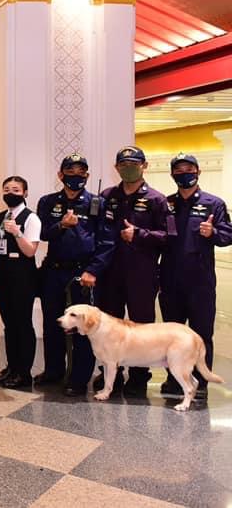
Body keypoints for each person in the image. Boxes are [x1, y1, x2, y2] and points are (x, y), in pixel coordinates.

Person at [36, 153, 113, 396]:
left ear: (87, 176)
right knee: (53, 324)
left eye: (81, 173)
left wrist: (93, 270)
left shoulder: (97, 203)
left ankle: (79, 379)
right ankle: (54, 371)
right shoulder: (48, 202)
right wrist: (62, 225)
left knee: (82, 328)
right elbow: (42, 233)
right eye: (70, 172)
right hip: (54, 271)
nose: (76, 177)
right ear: (61, 175)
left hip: (83, 273)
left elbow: (107, 242)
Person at [159, 153, 232, 401]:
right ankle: (174, 379)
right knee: (171, 335)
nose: (184, 174)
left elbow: (227, 235)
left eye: (189, 169)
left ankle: (200, 382)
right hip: (170, 280)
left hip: (200, 281)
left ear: (198, 172)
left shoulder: (214, 204)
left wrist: (213, 232)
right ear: (172, 175)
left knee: (201, 334)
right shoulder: (166, 204)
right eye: (178, 170)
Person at [98, 146, 168, 397]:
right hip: (110, 273)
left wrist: (139, 234)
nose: (128, 168)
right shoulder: (106, 196)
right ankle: (110, 374)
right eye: (124, 164)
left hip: (142, 273)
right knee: (108, 327)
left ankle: (139, 377)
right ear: (116, 167)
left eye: (134, 164)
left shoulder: (157, 200)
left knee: (142, 328)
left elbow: (168, 236)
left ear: (144, 166)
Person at [0, 176, 41, 389]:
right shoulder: (1, 216)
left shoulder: (31, 218)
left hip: (22, 276)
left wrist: (17, 232)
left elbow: (30, 251)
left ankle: (24, 372)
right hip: (3, 275)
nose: (10, 193)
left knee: (22, 323)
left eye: (15, 189)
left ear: (25, 193)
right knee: (9, 324)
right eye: (6, 189)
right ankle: (12, 367)